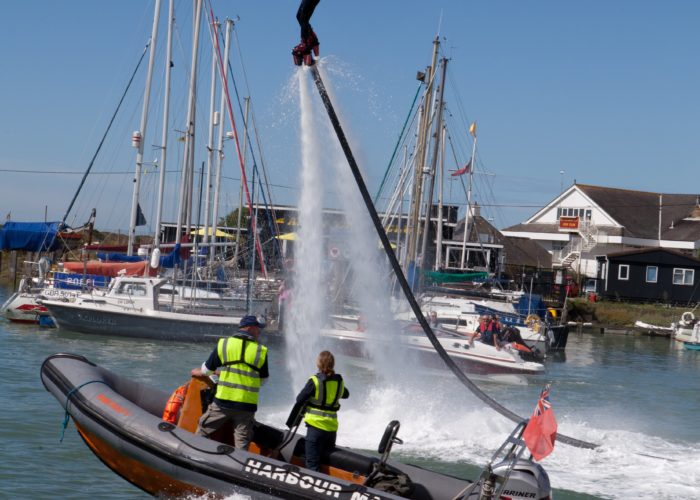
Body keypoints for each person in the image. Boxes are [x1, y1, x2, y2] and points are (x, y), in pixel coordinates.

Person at [191, 314, 269, 450]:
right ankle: (239, 468)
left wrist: (200, 372)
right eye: (258, 328)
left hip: (223, 402)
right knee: (242, 442)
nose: (259, 332)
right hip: (246, 406)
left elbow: (206, 370)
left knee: (203, 429)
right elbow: (263, 381)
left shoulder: (225, 344)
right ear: (250, 328)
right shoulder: (260, 351)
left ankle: (193, 456)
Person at [295, 350, 349, 471]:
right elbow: (346, 394)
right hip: (331, 429)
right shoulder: (339, 381)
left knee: (312, 464)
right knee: (325, 463)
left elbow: (299, 399)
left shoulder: (315, 381)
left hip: (316, 427)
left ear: (319, 364)